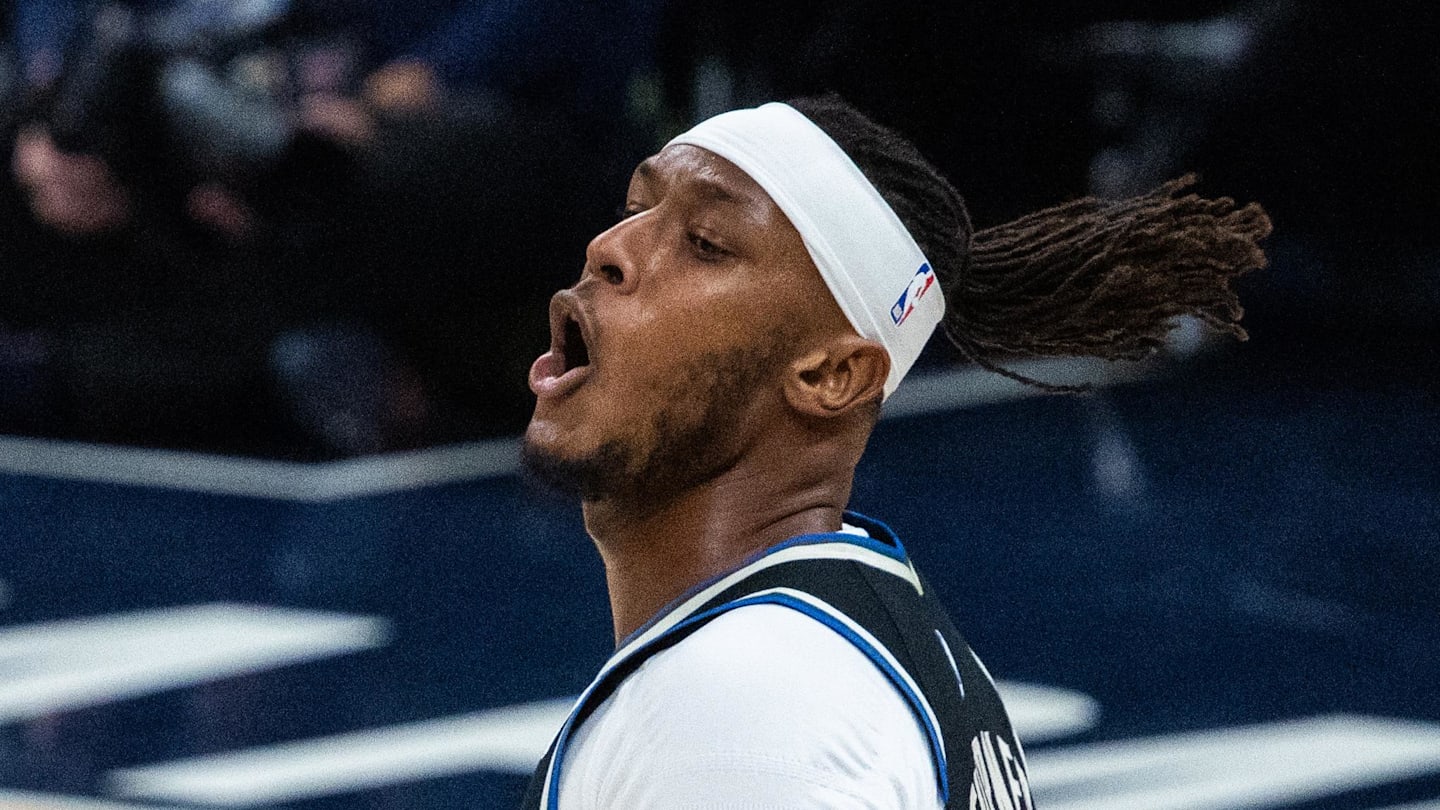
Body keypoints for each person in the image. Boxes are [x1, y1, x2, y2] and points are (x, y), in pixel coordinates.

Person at [518, 94, 1270, 808]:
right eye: (636, 208)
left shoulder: (740, 710)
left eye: (706, 244)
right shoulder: (849, 640)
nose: (609, 248)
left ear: (832, 375)